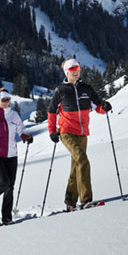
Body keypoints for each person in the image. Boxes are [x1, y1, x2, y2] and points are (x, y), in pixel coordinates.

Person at [47, 59, 111, 211]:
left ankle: (70, 202)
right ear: (67, 72)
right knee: (82, 159)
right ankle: (86, 201)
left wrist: (106, 107)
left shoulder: (86, 89)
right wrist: (52, 131)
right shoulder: (61, 90)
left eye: (78, 68)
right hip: (66, 132)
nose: (76, 71)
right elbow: (51, 111)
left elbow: (98, 107)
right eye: (73, 68)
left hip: (82, 133)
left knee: (76, 165)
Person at [0, 87, 33, 224]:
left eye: (8, 100)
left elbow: (21, 129)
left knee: (10, 186)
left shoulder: (13, 115)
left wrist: (25, 137)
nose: (7, 102)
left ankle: (7, 218)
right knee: (4, 183)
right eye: (4, 100)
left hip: (12, 155)